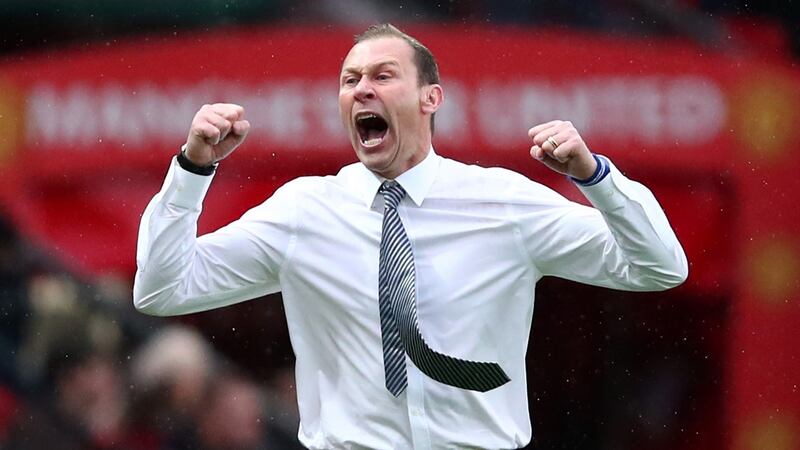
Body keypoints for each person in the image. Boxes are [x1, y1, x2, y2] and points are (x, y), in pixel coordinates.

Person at [134, 23, 687, 449]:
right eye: (350, 81)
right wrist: (191, 169)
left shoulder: (503, 202)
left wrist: (595, 178)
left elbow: (660, 266)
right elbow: (163, 290)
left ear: (431, 99)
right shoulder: (305, 211)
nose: (362, 90)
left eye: (382, 76)